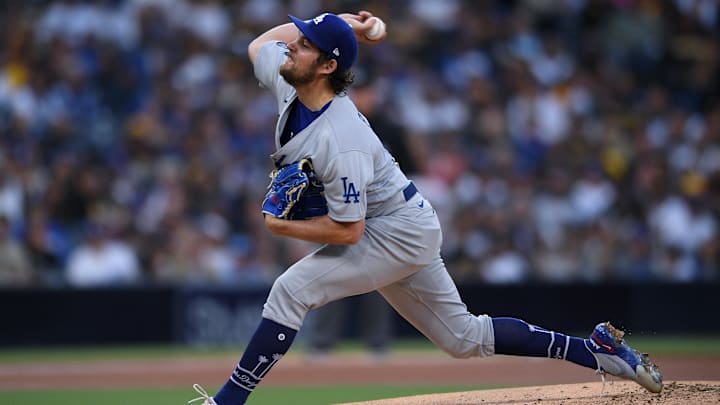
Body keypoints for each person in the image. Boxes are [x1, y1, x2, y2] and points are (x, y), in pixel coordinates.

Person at [189, 11, 662, 405]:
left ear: (328, 67)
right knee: (464, 339)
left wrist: (282, 227)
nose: (293, 46)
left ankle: (227, 400)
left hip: (395, 231)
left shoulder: (342, 138)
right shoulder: (292, 83)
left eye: (306, 43)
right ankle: (595, 351)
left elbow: (348, 232)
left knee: (291, 291)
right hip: (402, 222)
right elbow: (258, 44)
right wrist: (342, 23)